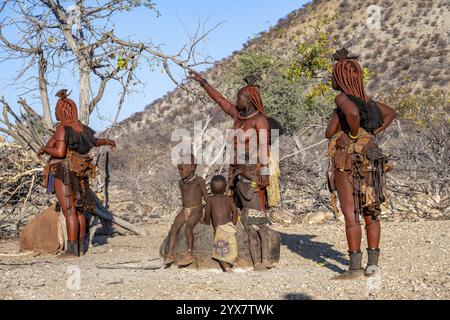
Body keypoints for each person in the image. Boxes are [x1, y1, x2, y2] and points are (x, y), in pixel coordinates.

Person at [325, 49, 396, 279]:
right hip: (371, 158)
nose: (332, 79)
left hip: (347, 160)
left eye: (334, 75)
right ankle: (373, 266)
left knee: (351, 212)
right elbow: (391, 113)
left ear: (342, 77)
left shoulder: (342, 99)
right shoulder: (369, 102)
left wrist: (355, 135)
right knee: (371, 208)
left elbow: (352, 115)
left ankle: (355, 268)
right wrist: (371, 133)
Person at [37, 89, 116, 258]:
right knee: (79, 210)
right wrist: (108, 141)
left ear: (61, 110)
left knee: (69, 211)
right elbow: (95, 142)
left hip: (64, 171)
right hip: (80, 173)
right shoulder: (83, 128)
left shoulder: (63, 129)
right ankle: (80, 248)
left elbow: (59, 152)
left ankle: (72, 250)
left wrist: (44, 148)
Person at [164, 156, 208, 267]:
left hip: (196, 209)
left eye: (182, 169)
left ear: (192, 167)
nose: (180, 172)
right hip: (185, 209)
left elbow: (206, 198)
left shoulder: (199, 181)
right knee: (174, 228)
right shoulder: (181, 182)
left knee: (188, 228)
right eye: (179, 169)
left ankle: (189, 254)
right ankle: (170, 254)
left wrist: (207, 212)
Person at [204, 175, 238, 272]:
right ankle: (231, 262)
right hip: (229, 226)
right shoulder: (228, 198)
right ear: (225, 187)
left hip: (219, 229)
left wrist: (206, 222)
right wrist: (234, 222)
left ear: (211, 188)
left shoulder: (210, 199)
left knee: (221, 249)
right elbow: (235, 211)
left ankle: (226, 267)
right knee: (231, 245)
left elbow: (207, 213)